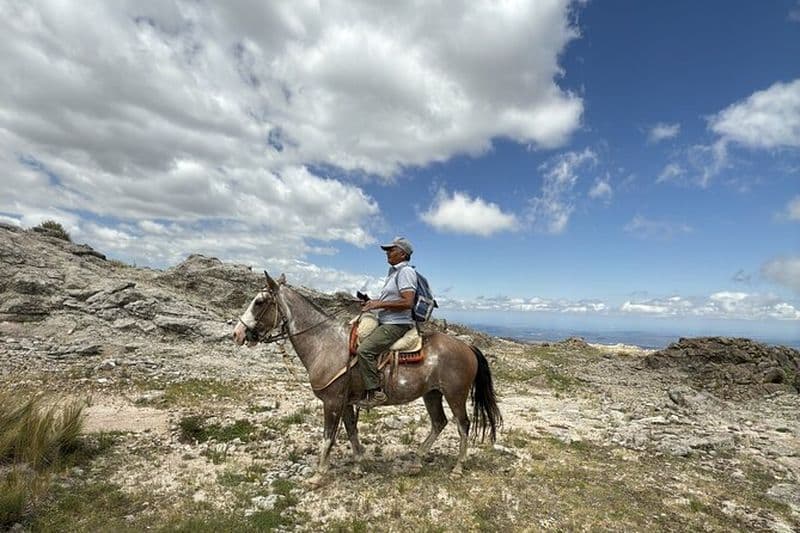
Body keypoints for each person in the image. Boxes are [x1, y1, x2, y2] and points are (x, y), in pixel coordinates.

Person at [357, 236, 417, 408]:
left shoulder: (406, 272)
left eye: (391, 250)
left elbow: (408, 302)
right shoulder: (394, 273)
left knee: (364, 350)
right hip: (386, 320)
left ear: (403, 254)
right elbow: (391, 300)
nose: (387, 253)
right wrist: (371, 303)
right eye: (387, 251)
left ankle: (376, 393)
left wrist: (379, 304)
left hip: (396, 324)